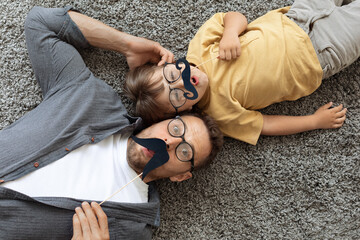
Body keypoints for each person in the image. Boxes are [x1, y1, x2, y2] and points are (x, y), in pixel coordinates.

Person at [0, 6, 223, 239]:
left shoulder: (131, 229)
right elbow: (41, 23)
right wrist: (126, 45)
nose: (169, 141)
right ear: (162, 121)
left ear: (181, 176)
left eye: (185, 151)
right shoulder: (91, 98)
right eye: (176, 129)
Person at [125, 0, 359, 145]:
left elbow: (233, 17)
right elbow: (265, 125)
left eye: (173, 76)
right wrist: (313, 121)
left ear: (166, 63)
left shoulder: (199, 47)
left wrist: (230, 33)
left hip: (296, 16)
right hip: (322, 53)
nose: (184, 84)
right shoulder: (220, 113)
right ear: (183, 112)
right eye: (177, 96)